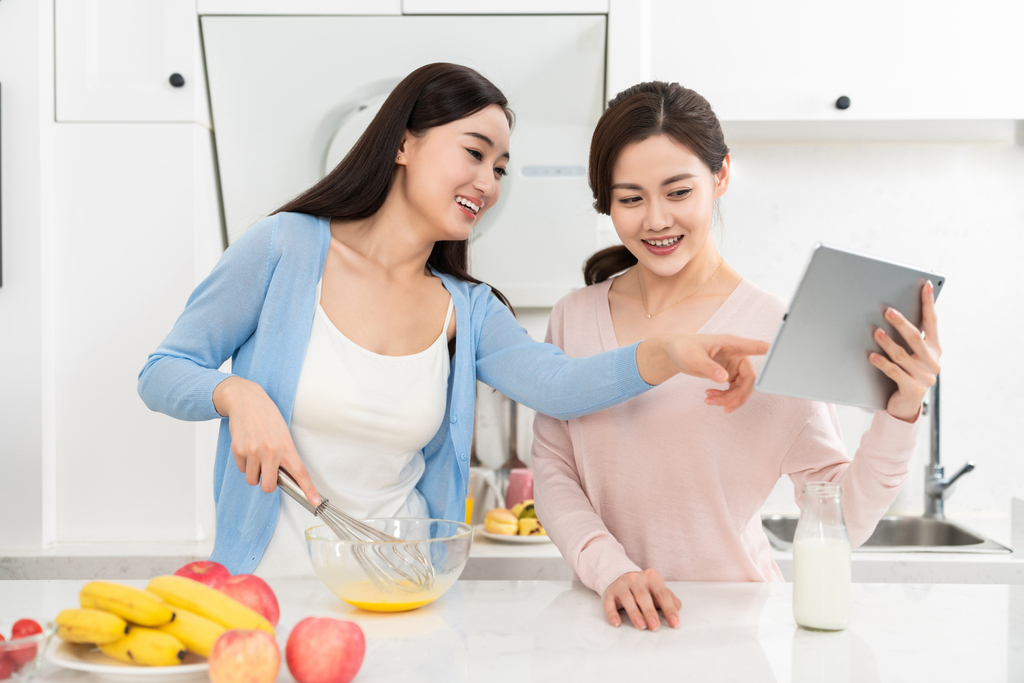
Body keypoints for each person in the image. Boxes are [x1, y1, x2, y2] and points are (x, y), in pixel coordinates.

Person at [137, 64, 769, 577]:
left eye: (499, 167)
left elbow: (557, 383)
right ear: (405, 142)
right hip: (268, 594)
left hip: (407, 592)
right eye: (474, 152)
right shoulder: (284, 248)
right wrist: (234, 392)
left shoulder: (465, 307)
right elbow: (163, 371)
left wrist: (669, 352)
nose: (488, 182)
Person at [531, 81, 941, 631]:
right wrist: (612, 570)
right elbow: (554, 471)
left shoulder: (771, 327)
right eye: (630, 199)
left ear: (720, 176)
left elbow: (841, 513)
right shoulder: (574, 317)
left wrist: (902, 409)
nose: (655, 220)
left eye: (678, 192)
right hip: (605, 620)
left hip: (731, 629)